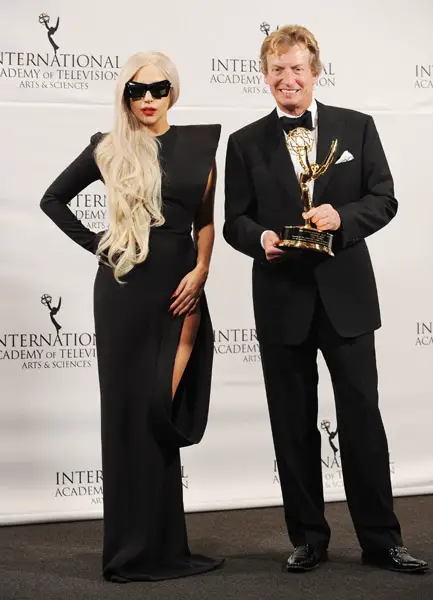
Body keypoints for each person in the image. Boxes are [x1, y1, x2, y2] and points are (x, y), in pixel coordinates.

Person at [223, 25, 428, 574]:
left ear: (315, 71)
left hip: (347, 299)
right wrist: (262, 239)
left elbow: (384, 198)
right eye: (277, 70)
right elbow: (234, 220)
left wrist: (343, 218)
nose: (287, 78)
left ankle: (382, 540)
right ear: (265, 76)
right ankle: (309, 539)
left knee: (362, 418)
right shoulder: (244, 142)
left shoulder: (356, 127)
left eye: (297, 68)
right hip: (281, 298)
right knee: (292, 424)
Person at [40, 51, 223, 582]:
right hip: (123, 292)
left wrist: (202, 270)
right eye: (136, 90)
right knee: (126, 417)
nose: (147, 99)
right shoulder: (109, 147)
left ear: (172, 92)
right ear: (125, 95)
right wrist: (102, 245)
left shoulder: (200, 145)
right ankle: (128, 552)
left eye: (158, 89)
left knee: (160, 411)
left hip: (180, 290)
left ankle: (166, 547)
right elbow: (53, 199)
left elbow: (205, 219)